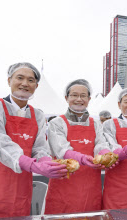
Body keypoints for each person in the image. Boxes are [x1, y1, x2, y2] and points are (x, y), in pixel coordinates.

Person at [0, 62, 68, 219]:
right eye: (19, 78)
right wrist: (32, 164)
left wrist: (46, 161)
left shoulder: (38, 115)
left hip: (18, 188)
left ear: (36, 86)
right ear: (9, 81)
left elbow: (40, 147)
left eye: (31, 80)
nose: (25, 83)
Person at [44, 79, 112, 214]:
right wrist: (83, 158)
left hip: (91, 185)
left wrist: (105, 154)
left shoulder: (96, 123)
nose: (79, 99)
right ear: (66, 98)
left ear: (89, 99)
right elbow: (61, 150)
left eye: (83, 96)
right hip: (64, 182)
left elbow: (101, 144)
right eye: (74, 95)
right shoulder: (57, 123)